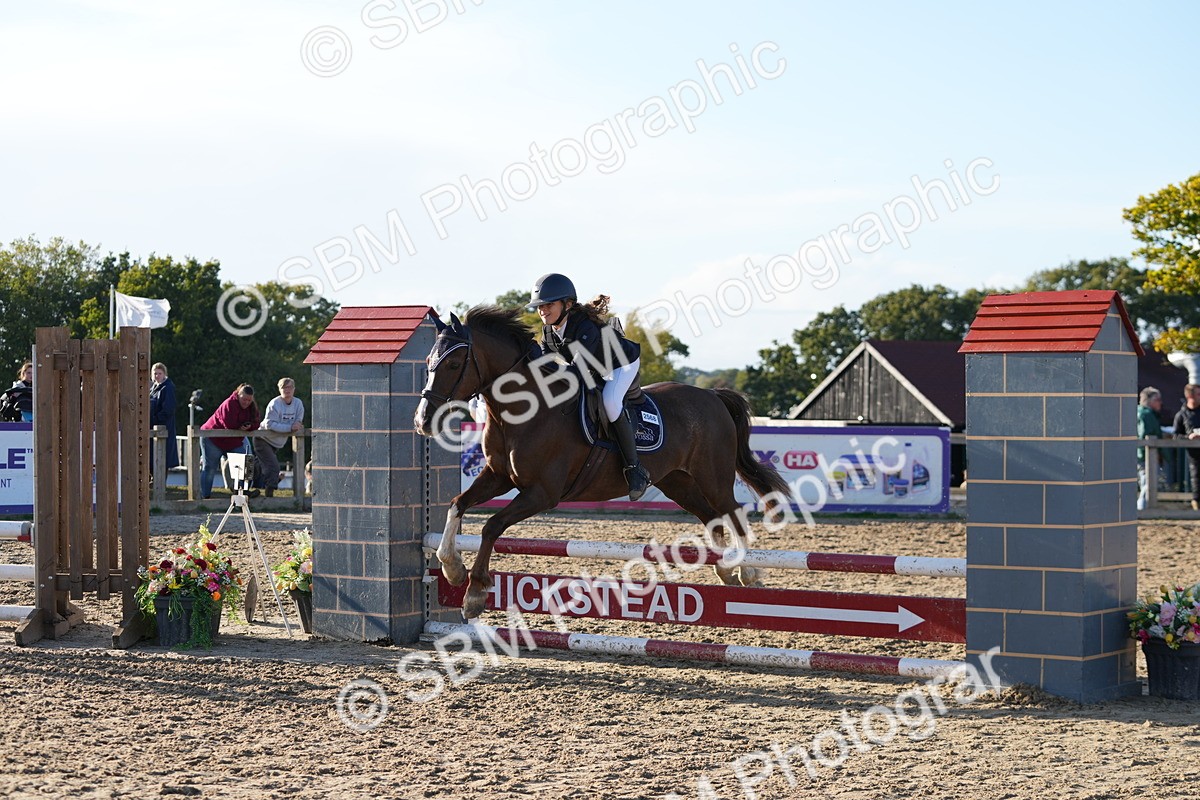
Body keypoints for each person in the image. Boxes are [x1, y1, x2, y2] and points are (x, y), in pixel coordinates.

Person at [527, 272, 651, 501]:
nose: (543, 310)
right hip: (594, 367)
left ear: (567, 304)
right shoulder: (548, 332)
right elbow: (544, 368)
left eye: (548, 305)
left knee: (610, 402)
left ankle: (635, 469)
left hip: (621, 364)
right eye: (540, 306)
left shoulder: (585, 327)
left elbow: (577, 373)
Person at [199, 383, 260, 499]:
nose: (246, 402)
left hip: (233, 440)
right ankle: (204, 497)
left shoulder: (252, 407)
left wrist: (249, 427)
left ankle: (242, 492)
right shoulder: (229, 403)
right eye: (244, 399)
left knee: (247, 463)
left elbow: (256, 422)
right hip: (213, 439)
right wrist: (241, 427)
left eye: (249, 400)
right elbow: (228, 424)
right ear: (238, 395)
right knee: (210, 468)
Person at [253, 377, 305, 498]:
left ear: (294, 389)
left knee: (262, 466)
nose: (287, 390)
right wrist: (290, 427)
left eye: (290, 387)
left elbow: (298, 421)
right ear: (279, 389)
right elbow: (269, 424)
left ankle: (254, 483)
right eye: (284, 387)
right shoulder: (275, 404)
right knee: (273, 467)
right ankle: (269, 495)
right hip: (263, 439)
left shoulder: (298, 403)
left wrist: (297, 425)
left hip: (276, 443)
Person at [1136, 386, 1165, 511]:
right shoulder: (1146, 414)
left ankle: (1143, 509)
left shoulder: (1141, 412)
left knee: (1145, 483)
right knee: (1148, 484)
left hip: (1140, 454)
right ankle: (1143, 510)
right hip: (1144, 455)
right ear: (1149, 401)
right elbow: (1145, 435)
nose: (1160, 403)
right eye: (1157, 400)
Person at [1173, 383, 1200, 511]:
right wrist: (1189, 437)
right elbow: (1176, 435)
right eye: (1199, 394)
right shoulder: (1181, 415)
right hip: (1193, 454)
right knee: (1196, 477)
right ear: (1190, 396)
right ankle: (1196, 503)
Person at [149, 362, 179, 472]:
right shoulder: (153, 388)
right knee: (153, 458)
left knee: (162, 458)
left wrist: (154, 419)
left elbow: (168, 409)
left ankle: (160, 481)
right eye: (155, 373)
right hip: (154, 428)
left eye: (159, 373)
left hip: (164, 428)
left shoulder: (168, 387)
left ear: (164, 374)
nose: (157, 376)